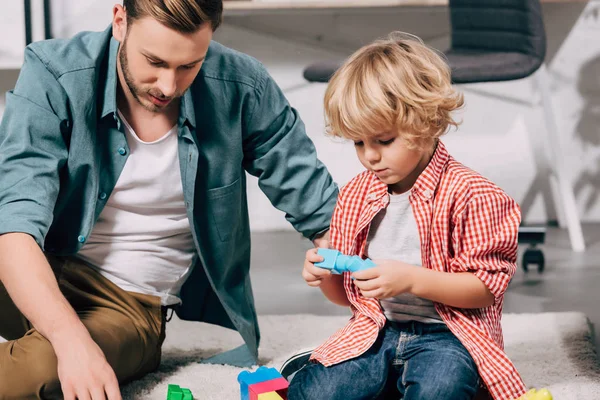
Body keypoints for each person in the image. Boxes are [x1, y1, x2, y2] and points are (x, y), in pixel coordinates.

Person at [0, 1, 337, 399]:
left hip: (127, 301)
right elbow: (15, 223)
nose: (168, 86)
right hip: (42, 260)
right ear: (120, 21)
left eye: (188, 66)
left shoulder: (243, 85)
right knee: (65, 346)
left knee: (43, 372)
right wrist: (70, 339)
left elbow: (318, 206)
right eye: (154, 62)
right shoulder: (57, 72)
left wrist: (375, 290)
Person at [288, 32, 527, 400]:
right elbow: (348, 297)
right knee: (310, 392)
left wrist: (411, 280)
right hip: (377, 329)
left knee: (440, 389)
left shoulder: (473, 195)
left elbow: (484, 292)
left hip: (449, 335)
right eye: (358, 143)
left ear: (427, 123)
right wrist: (324, 277)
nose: (370, 156)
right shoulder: (356, 194)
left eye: (383, 141)